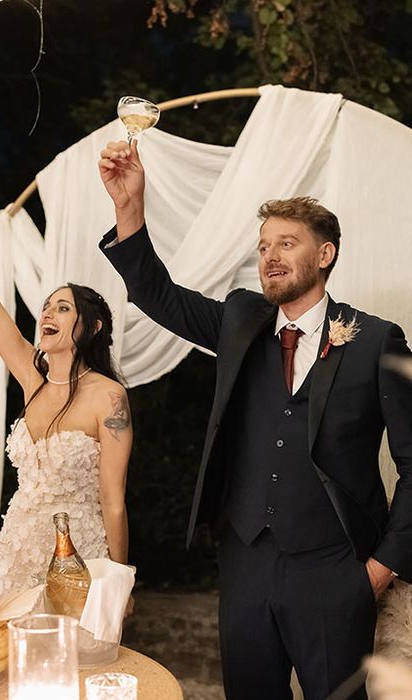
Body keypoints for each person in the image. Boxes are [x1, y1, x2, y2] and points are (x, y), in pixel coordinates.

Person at [97, 139, 412, 699]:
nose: (270, 256)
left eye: (287, 243)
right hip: (245, 561)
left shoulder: (376, 341)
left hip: (334, 568)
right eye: (264, 245)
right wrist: (129, 210)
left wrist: (381, 566)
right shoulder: (240, 321)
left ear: (325, 254)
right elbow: (158, 295)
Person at [0, 184, 133, 597]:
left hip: (78, 554)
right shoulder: (31, 378)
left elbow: (113, 501)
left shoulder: (109, 397)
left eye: (63, 307)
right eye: (46, 306)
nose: (47, 314)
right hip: (19, 549)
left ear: (91, 327)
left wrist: (120, 581)